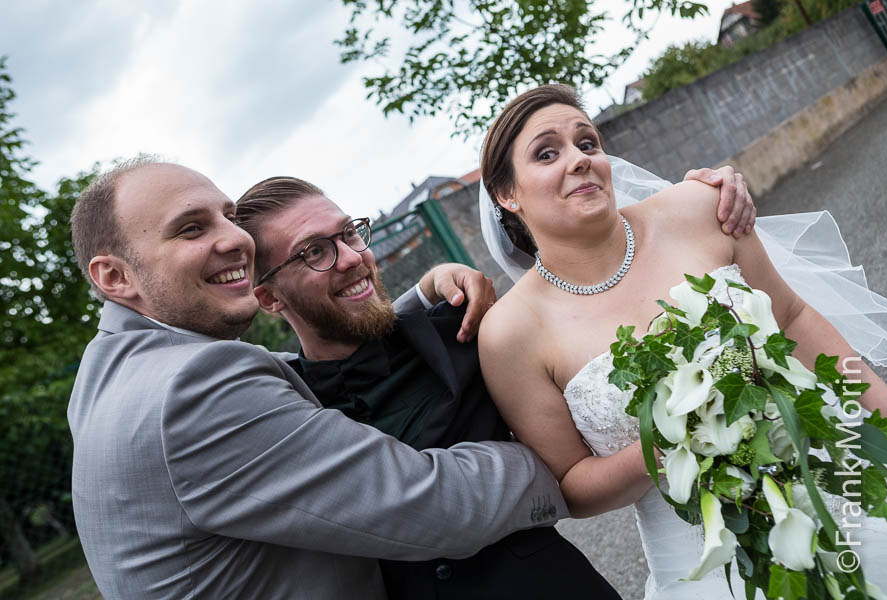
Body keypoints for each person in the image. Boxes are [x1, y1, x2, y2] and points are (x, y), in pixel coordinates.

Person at [66, 158, 572, 600]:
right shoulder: (194, 386)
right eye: (191, 229)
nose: (234, 238)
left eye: (227, 216)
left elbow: (304, 367)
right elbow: (431, 506)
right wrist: (554, 456)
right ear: (115, 277)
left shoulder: (109, 375)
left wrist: (421, 295)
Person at [233, 169, 751, 599]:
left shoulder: (464, 330)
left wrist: (696, 202)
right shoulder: (274, 407)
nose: (351, 257)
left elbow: (586, 311)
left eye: (349, 234)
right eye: (313, 252)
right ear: (270, 299)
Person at [475, 84, 887, 599]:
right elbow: (572, 482)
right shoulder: (509, 333)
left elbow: (793, 318)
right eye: (548, 153)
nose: (579, 160)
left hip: (836, 483)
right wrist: (673, 435)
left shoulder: (698, 208)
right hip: (706, 561)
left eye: (588, 144)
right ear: (507, 193)